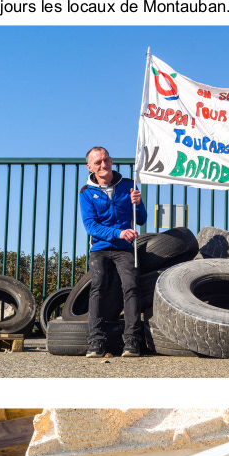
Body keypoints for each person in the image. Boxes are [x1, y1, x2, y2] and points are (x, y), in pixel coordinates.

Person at [79, 146, 148, 358]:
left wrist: (138, 204)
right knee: (98, 287)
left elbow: (142, 219)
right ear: (90, 167)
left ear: (111, 161)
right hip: (100, 248)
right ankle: (96, 342)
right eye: (98, 162)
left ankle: (132, 342)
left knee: (131, 287)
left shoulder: (129, 185)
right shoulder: (86, 193)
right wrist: (118, 232)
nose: (103, 165)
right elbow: (91, 226)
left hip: (124, 249)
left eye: (106, 160)